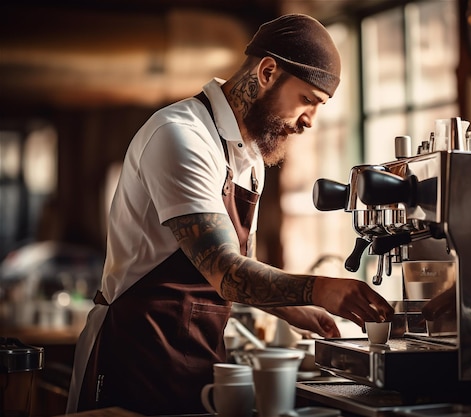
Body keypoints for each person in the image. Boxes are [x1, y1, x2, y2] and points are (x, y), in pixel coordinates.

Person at [66, 13, 394, 415]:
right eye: (308, 100)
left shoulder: (249, 157)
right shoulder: (181, 136)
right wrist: (321, 288)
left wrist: (298, 311)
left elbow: (243, 268)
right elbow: (224, 270)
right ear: (268, 71)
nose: (310, 121)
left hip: (198, 361)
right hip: (133, 356)